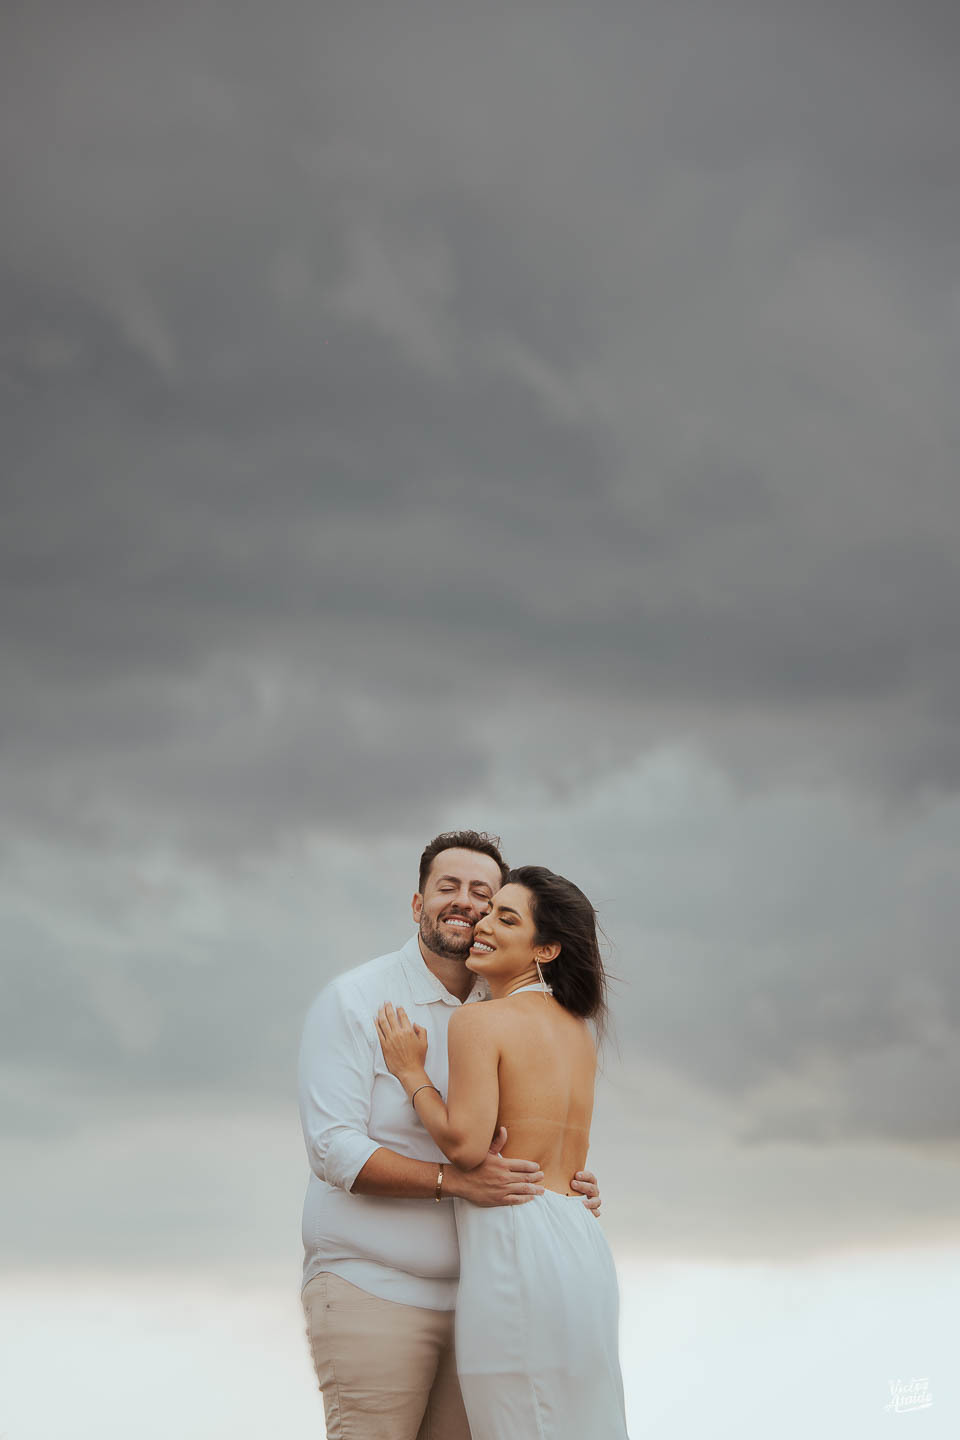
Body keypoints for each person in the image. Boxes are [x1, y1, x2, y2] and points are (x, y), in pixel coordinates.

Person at [298, 831, 602, 1440]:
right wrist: (453, 1182)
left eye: (483, 895)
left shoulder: (509, 1015)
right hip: (375, 1288)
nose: (466, 903)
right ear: (418, 905)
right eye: (448, 887)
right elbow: (333, 1149)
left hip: (488, 1297)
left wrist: (568, 1186)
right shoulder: (356, 1000)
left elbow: (528, 1137)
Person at [376, 864, 629, 1440]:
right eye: (490, 912)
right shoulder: (578, 1032)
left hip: (516, 1240)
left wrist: (412, 1074)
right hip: (581, 1243)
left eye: (505, 918)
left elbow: (467, 1146)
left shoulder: (479, 1021)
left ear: (545, 948)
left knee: (519, 1420)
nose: (482, 924)